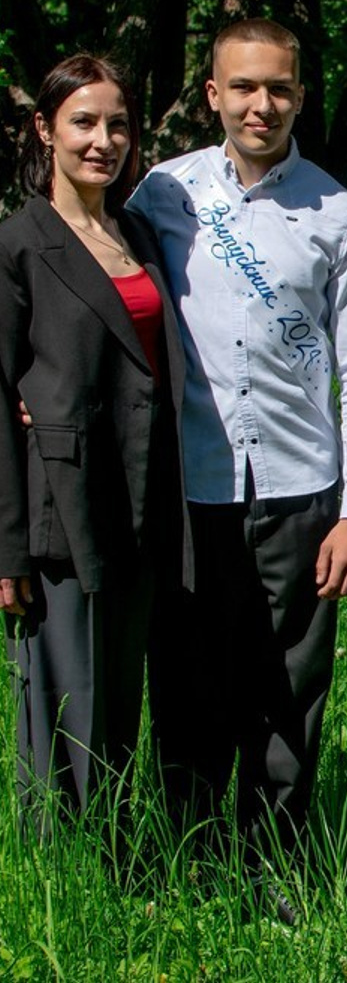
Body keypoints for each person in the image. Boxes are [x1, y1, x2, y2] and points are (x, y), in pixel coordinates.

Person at [128, 20, 347, 911]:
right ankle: (188, 871)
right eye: (242, 87)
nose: (260, 105)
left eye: (278, 88)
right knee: (189, 689)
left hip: (299, 492)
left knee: (288, 692)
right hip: (190, 486)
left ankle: (275, 870)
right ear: (213, 95)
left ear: (299, 97)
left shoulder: (338, 213)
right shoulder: (161, 196)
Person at [0, 55, 190, 817]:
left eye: (117, 124)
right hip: (61, 505)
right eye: (84, 122)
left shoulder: (138, 229)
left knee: (116, 694)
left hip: (142, 493)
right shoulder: (17, 243)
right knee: (61, 704)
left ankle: (110, 855)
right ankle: (63, 875)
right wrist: (7, 550)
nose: (103, 141)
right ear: (46, 129)